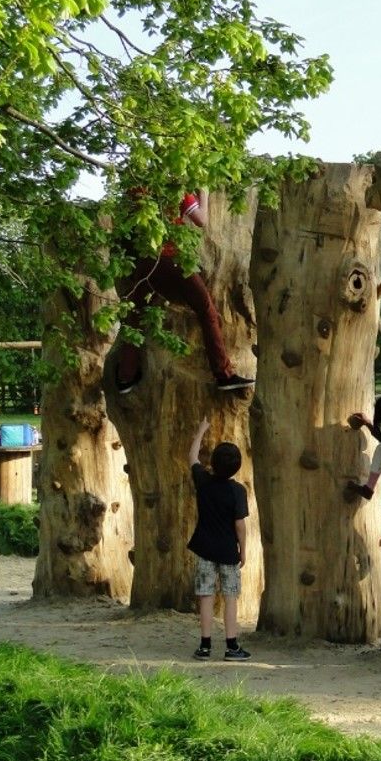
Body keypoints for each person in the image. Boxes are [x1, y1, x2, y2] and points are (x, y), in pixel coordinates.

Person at [116, 191, 254, 395]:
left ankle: (125, 376)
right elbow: (201, 220)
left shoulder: (137, 189)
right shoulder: (176, 190)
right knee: (207, 310)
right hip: (172, 259)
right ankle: (224, 374)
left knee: (135, 316)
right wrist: (204, 193)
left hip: (143, 261)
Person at [187, 416, 251, 661]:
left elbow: (192, 458)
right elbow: (240, 525)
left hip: (204, 548)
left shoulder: (203, 481)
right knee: (230, 596)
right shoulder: (237, 491)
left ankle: (204, 646)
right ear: (237, 467)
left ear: (211, 463)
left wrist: (201, 430)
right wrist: (243, 550)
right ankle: (231, 646)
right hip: (227, 552)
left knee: (206, 596)